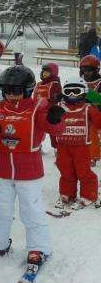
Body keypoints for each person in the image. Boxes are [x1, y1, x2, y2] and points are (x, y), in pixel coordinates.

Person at [0, 66, 64, 268]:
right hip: (2, 170)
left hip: (29, 171)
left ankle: (38, 247)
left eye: (16, 91)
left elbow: (54, 128)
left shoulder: (37, 108)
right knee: (0, 209)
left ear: (27, 90)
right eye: (7, 90)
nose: (11, 95)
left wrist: (55, 119)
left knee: (31, 209)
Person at [53, 77, 101, 211]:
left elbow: (98, 122)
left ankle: (89, 195)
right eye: (68, 92)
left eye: (76, 91)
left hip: (82, 147)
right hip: (63, 146)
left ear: (83, 92)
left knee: (83, 171)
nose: (72, 95)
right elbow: (50, 122)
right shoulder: (59, 108)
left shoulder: (88, 108)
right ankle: (67, 194)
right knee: (66, 171)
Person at [79, 55, 101, 165]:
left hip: (97, 113)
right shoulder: (80, 82)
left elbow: (99, 99)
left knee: (92, 132)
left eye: (89, 71)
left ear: (96, 70)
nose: (86, 73)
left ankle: (93, 156)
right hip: (82, 113)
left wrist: (88, 94)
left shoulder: (99, 83)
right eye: (84, 71)